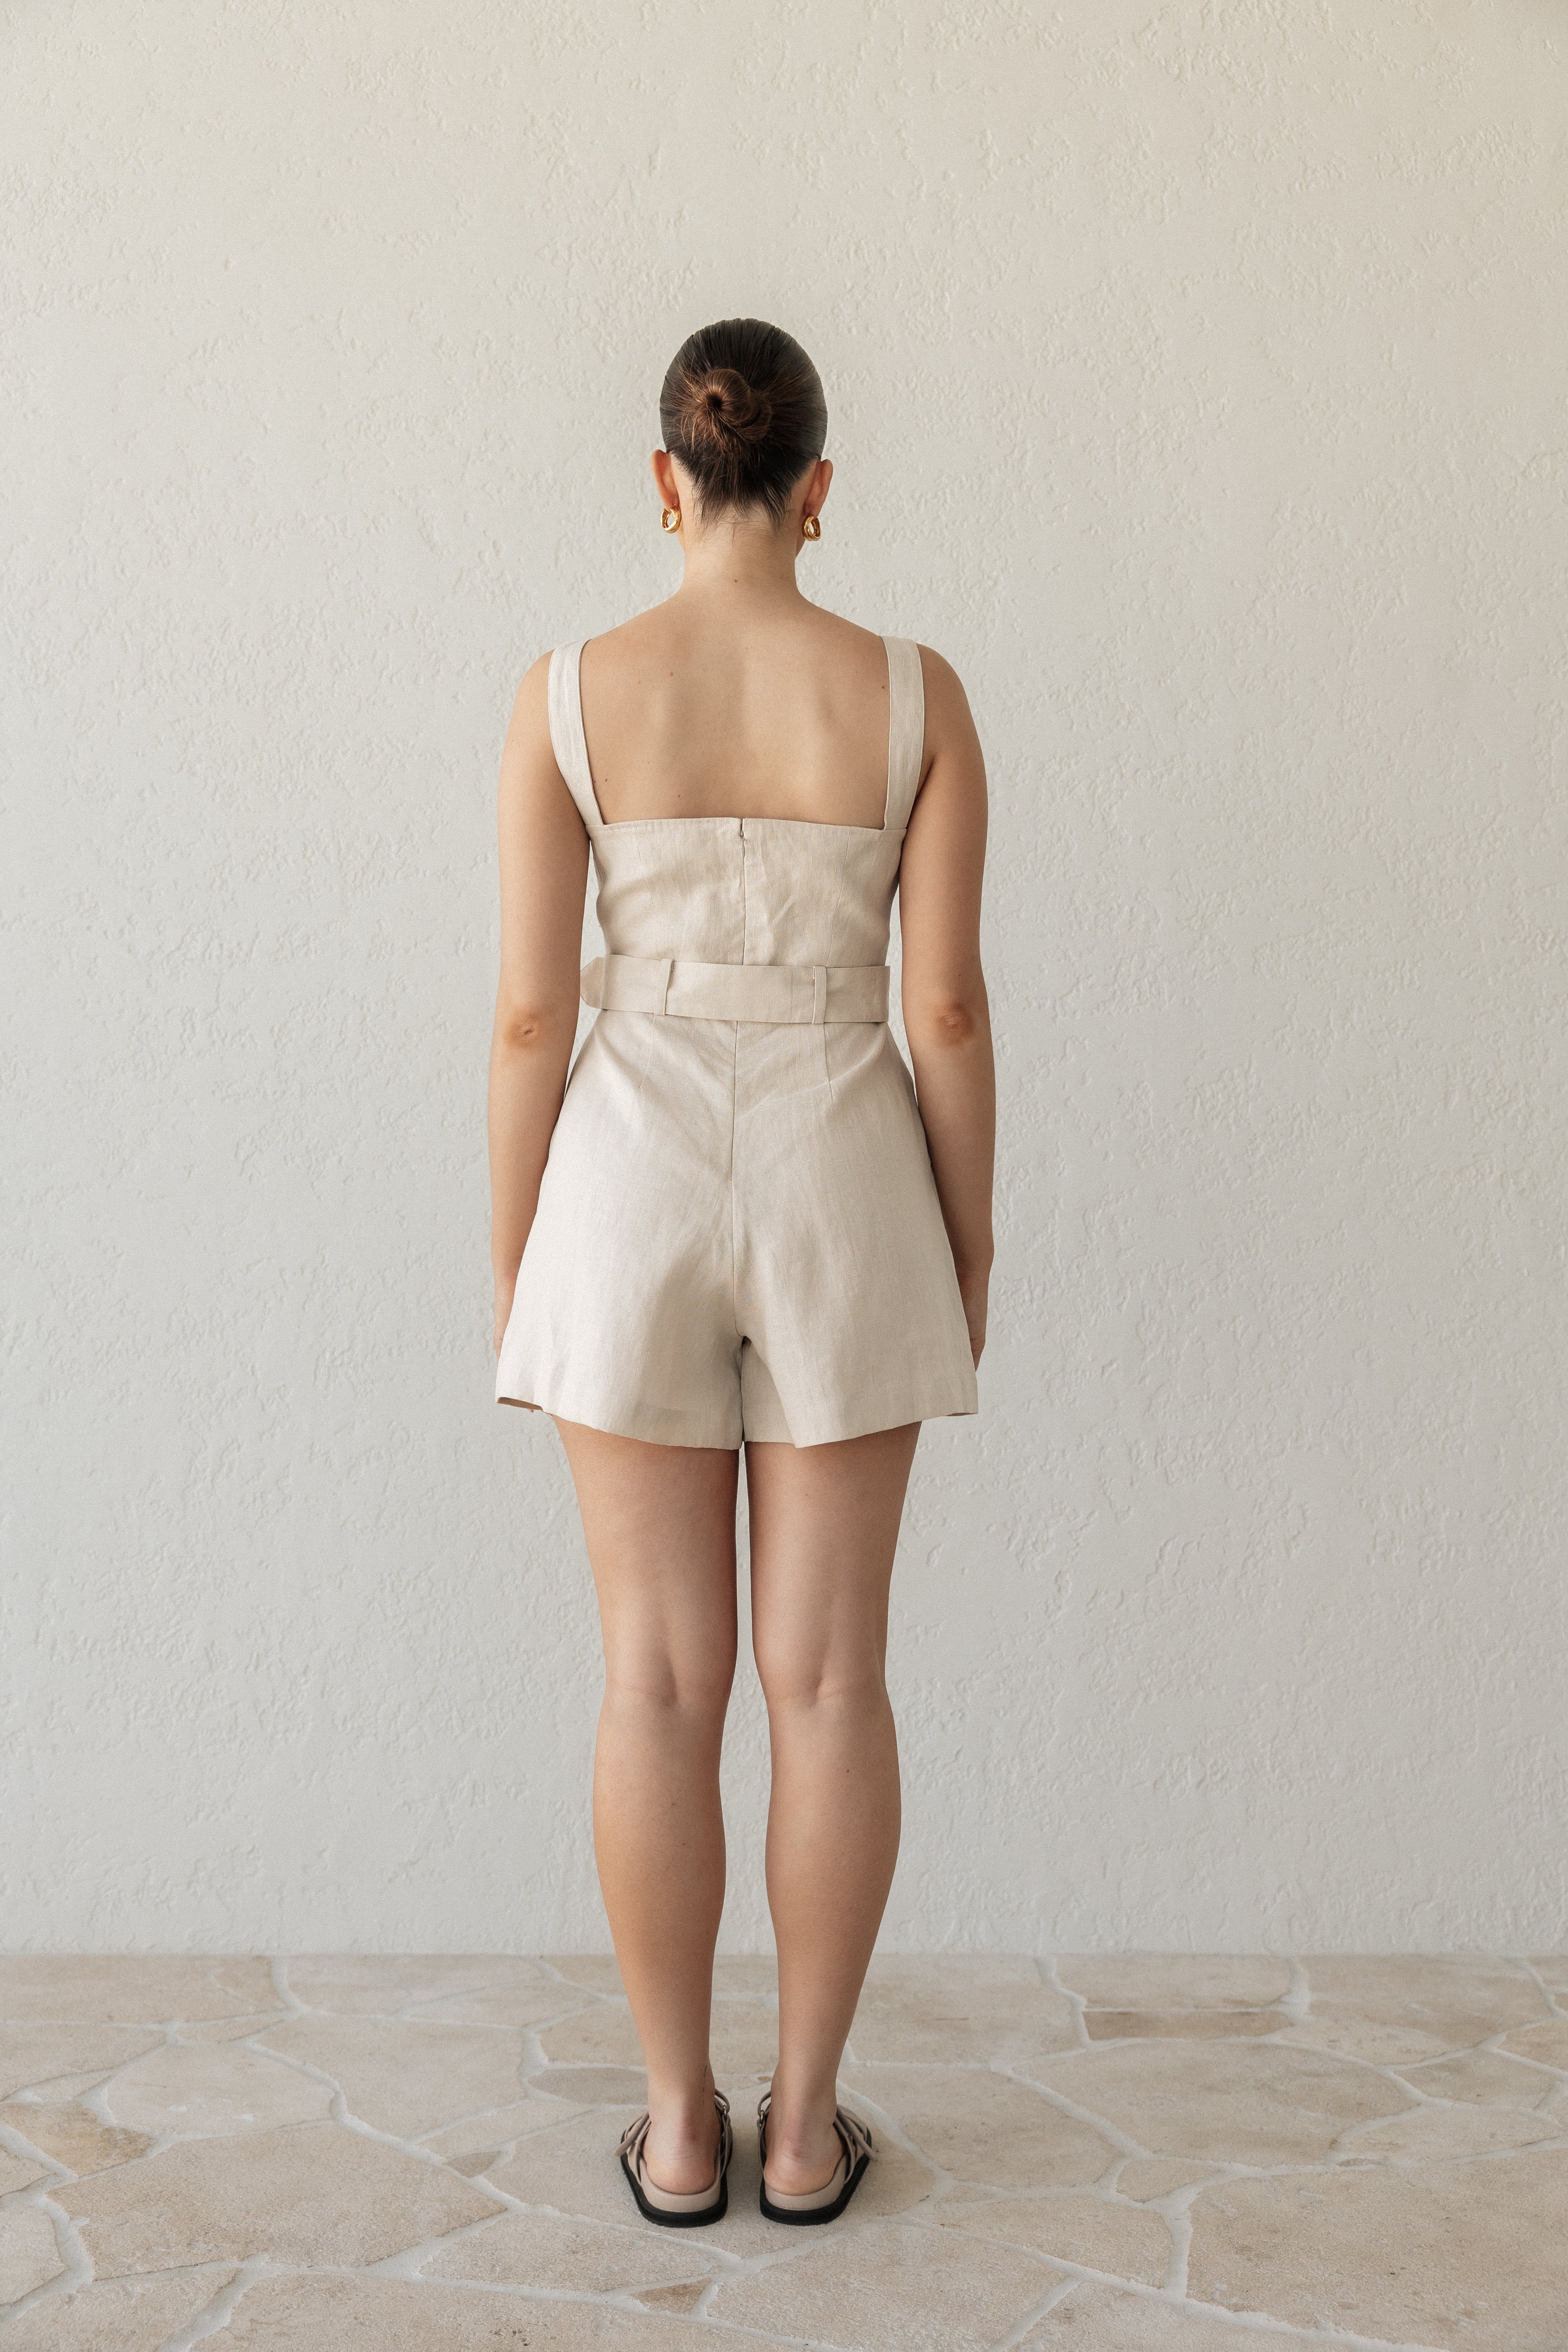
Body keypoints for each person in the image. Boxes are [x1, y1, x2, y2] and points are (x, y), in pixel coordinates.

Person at [487, 317, 994, 2227]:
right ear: (816, 488)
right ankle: (803, 2130)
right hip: (842, 1168)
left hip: (622, 1177)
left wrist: (522, 1258)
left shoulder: (567, 694)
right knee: (830, 1677)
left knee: (654, 1680)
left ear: (665, 481)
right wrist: (965, 1241)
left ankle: (676, 2126)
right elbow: (944, 1011)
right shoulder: (913, 695)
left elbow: (529, 1016)